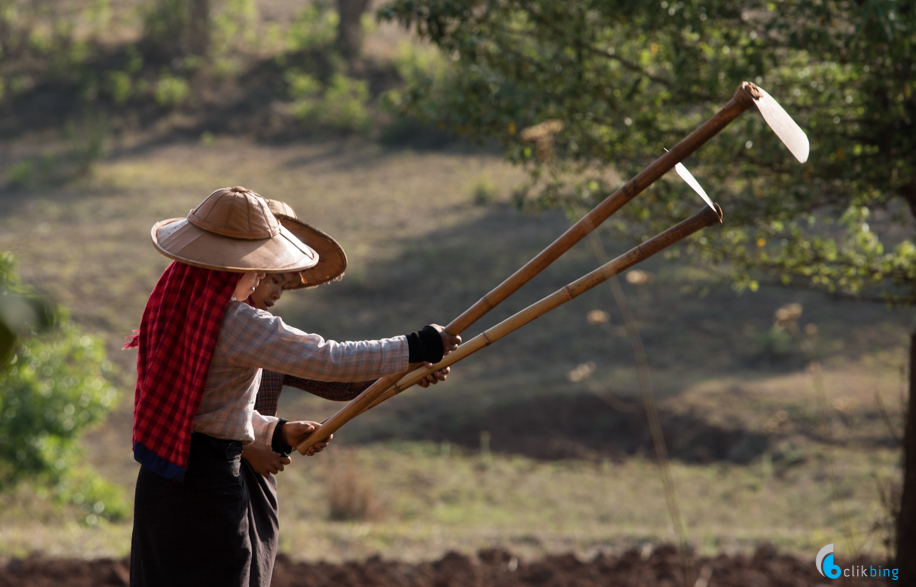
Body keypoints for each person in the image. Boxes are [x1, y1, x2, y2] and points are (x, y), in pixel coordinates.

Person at [126, 186, 460, 587]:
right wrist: (414, 345)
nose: (262, 281)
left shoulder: (177, 307)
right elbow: (327, 358)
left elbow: (199, 411)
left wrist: (274, 432)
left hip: (163, 486)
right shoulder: (236, 322)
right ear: (237, 267)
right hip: (207, 483)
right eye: (261, 271)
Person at [239, 200, 452, 586]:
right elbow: (194, 413)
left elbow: (338, 381)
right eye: (272, 279)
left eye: (283, 284)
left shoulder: (266, 336)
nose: (276, 293)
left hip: (253, 482)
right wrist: (247, 449)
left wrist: (404, 367)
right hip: (216, 479)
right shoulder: (217, 327)